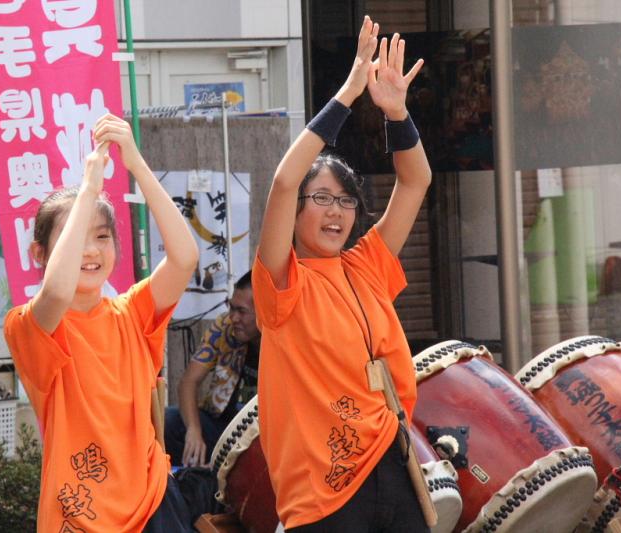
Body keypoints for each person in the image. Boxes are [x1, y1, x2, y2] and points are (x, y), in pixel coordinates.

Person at [253, 16, 432, 532]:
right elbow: (284, 181)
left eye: (346, 200)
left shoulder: (366, 264)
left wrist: (396, 113)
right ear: (296, 212)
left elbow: (416, 180)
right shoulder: (280, 281)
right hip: (322, 495)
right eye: (321, 199)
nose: (336, 212)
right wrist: (350, 93)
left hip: (389, 462)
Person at [3, 114, 199, 533]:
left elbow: (185, 257)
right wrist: (90, 188)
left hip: (153, 503)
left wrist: (136, 165)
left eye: (103, 236)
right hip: (81, 517)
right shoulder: (27, 325)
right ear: (40, 254)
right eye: (76, 238)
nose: (90, 251)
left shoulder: (132, 313)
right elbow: (56, 292)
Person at [165, 270, 261, 467]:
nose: (233, 317)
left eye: (242, 311)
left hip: (263, 437)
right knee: (167, 421)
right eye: (231, 307)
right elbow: (188, 382)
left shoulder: (285, 340)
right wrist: (194, 430)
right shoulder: (225, 327)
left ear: (264, 311)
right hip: (222, 426)